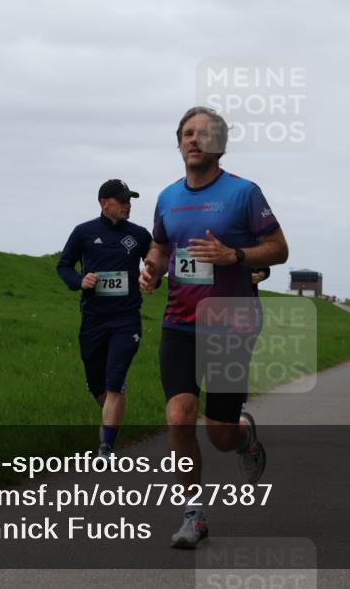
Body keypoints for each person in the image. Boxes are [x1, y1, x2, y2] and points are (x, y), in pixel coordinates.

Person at [139, 106, 288, 550]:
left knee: (220, 435)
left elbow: (279, 248)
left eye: (204, 134)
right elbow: (162, 245)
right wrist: (151, 268)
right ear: (179, 141)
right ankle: (193, 516)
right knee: (179, 418)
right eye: (187, 133)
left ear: (219, 145)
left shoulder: (243, 193)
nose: (194, 140)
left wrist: (235, 257)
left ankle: (244, 439)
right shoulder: (167, 198)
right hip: (179, 322)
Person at [56, 179, 152, 459]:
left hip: (126, 319)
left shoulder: (139, 235)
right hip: (93, 319)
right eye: (122, 200)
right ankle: (113, 412)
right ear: (103, 203)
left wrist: (151, 276)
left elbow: (153, 263)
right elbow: (63, 266)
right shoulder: (84, 233)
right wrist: (78, 279)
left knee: (114, 380)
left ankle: (106, 447)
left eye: (130, 200)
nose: (128, 205)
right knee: (97, 384)